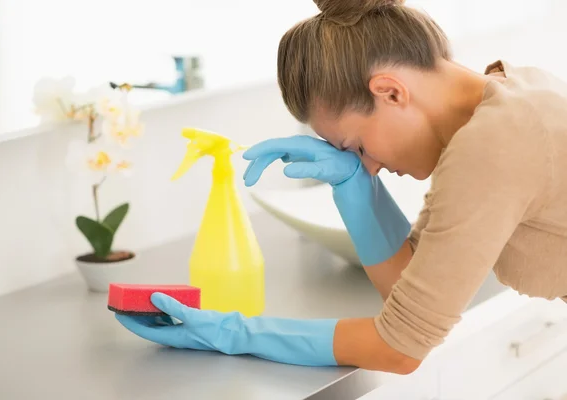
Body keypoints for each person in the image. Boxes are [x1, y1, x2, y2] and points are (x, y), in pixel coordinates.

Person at [115, 0, 567, 374]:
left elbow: (401, 346)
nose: (370, 163)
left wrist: (235, 333)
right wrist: (355, 188)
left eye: (355, 145)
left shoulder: (493, 143)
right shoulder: (506, 94)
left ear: (390, 92)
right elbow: (409, 292)